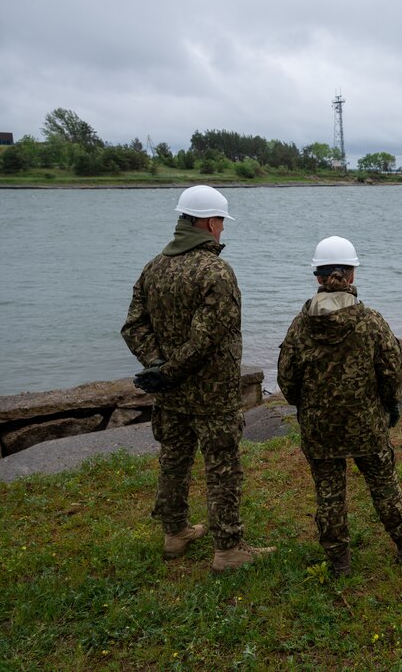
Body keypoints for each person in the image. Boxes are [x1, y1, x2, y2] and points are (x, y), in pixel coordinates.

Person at [121, 184, 275, 573]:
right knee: (222, 467)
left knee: (173, 461)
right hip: (212, 394)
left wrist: (157, 367)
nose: (223, 229)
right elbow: (207, 339)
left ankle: (175, 533)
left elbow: (133, 326)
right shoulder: (216, 272)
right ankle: (228, 549)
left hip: (169, 394)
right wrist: (168, 370)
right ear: (208, 222)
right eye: (221, 221)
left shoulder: (153, 267)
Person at [277, 236, 402, 577]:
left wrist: (305, 407)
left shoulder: (301, 325)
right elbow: (392, 370)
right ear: (352, 275)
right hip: (367, 424)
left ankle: (339, 563)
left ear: (318, 277)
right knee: (383, 483)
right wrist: (390, 404)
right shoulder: (371, 322)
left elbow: (287, 379)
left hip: (319, 428)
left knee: (329, 493)